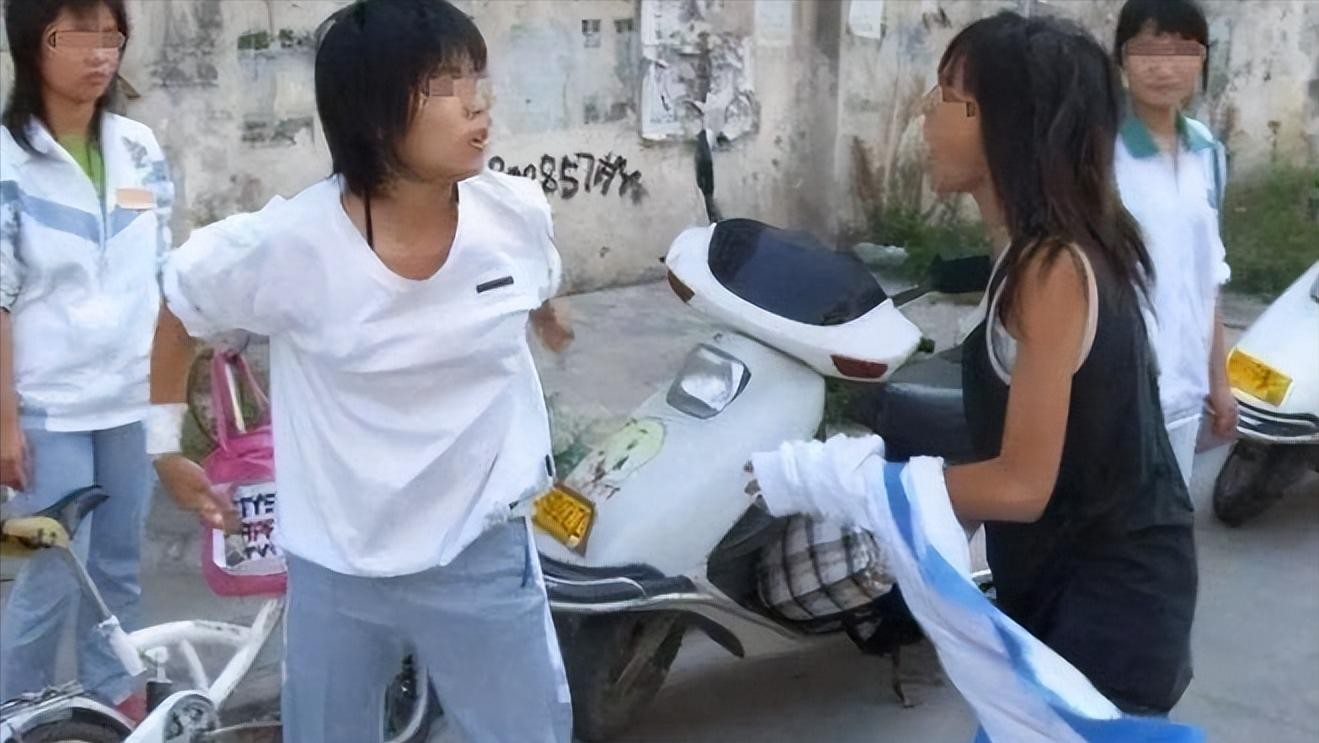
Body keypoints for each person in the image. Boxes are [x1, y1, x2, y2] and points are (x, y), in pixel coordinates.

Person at [146, 1, 574, 740]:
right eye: (443, 85)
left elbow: (538, 280)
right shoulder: (289, 245)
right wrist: (164, 446)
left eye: (475, 78)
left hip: (480, 553)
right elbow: (181, 304)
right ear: (373, 114)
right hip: (335, 569)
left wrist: (546, 318)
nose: (477, 102)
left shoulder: (517, 214)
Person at [923, 13, 1198, 716]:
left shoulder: (1052, 270)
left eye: (951, 98)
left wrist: (875, 488)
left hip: (1111, 612)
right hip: (1061, 587)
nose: (927, 111)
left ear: (1011, 125)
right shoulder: (1034, 251)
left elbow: (1021, 485)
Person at [0, 0, 171, 720]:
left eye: (111, 36)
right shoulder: (8, 159)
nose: (100, 53)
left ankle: (115, 714)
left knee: (119, 572)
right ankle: (17, 716)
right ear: (31, 46)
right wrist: (6, 424)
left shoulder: (140, 147)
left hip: (129, 398)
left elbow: (164, 273)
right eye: (76, 37)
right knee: (49, 578)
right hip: (48, 408)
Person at [1113, 0, 1236, 487]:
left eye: (1181, 51)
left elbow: (1208, 275)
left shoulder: (1207, 151)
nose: (1163, 67)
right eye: (1147, 50)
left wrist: (1220, 383)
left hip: (1185, 393)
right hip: (1120, 391)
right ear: (1122, 59)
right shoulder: (1100, 152)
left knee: (1171, 523)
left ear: (1201, 59)